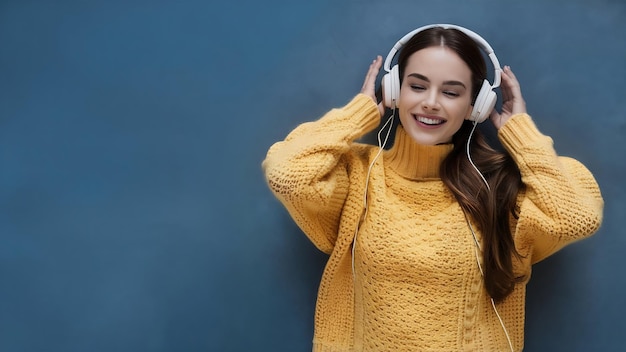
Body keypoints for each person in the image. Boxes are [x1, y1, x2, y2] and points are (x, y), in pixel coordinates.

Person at [262, 24, 603, 352]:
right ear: (395, 91)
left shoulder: (500, 187)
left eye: (451, 92)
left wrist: (522, 135)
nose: (431, 102)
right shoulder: (359, 176)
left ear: (476, 106)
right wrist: (358, 113)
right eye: (417, 86)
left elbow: (576, 218)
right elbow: (288, 175)